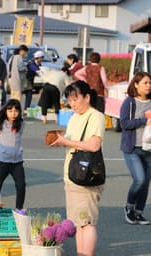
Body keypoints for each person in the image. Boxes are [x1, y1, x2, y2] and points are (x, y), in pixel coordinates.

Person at [50, 81, 105, 256]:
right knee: (78, 223)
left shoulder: (95, 116)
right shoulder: (74, 117)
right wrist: (60, 141)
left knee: (87, 222)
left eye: (75, 99)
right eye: (69, 100)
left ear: (87, 97)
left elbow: (94, 145)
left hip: (86, 177)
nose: (72, 104)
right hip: (73, 176)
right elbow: (73, 142)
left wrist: (66, 141)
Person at [120, 71, 151, 225]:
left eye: (150, 83)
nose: (148, 86)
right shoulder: (129, 102)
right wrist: (144, 120)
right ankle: (129, 207)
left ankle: (139, 212)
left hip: (150, 148)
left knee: (146, 183)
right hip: (132, 148)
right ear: (136, 85)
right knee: (139, 180)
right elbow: (124, 124)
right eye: (145, 83)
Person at [0, 99, 25, 210]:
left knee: (21, 186)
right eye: (10, 111)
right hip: (3, 161)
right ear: (6, 111)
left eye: (16, 111)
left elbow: (18, 137)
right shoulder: (1, 124)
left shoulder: (21, 124)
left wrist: (18, 150)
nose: (13, 114)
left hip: (17, 162)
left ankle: (19, 209)